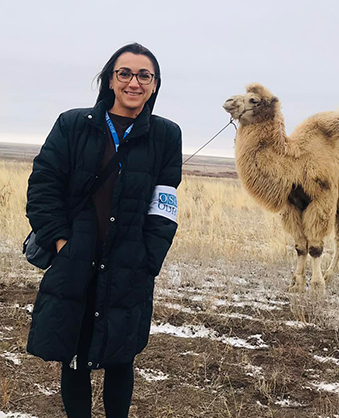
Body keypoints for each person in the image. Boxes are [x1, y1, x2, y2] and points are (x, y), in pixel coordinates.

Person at [26, 43, 182, 418]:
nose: (134, 82)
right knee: (74, 355)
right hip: (76, 256)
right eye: (124, 73)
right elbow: (43, 186)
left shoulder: (166, 135)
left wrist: (148, 258)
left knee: (120, 356)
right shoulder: (73, 124)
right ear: (110, 79)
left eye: (144, 75)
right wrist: (61, 242)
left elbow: (164, 205)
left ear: (155, 84)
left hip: (129, 262)